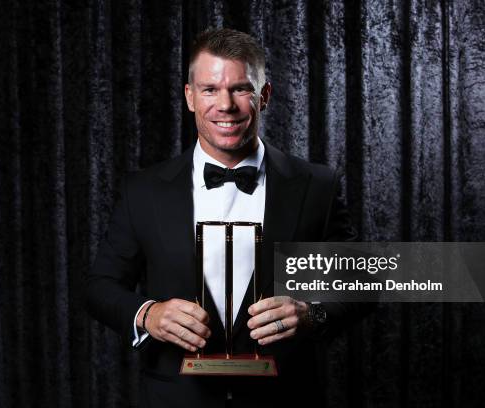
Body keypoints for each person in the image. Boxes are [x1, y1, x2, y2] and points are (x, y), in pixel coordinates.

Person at [87, 28, 362, 408]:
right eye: (210, 89)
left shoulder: (318, 185)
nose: (225, 105)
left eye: (240, 88)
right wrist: (147, 314)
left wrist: (312, 313)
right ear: (189, 97)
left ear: (264, 96)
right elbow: (100, 286)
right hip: (176, 399)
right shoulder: (144, 190)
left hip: (286, 398)